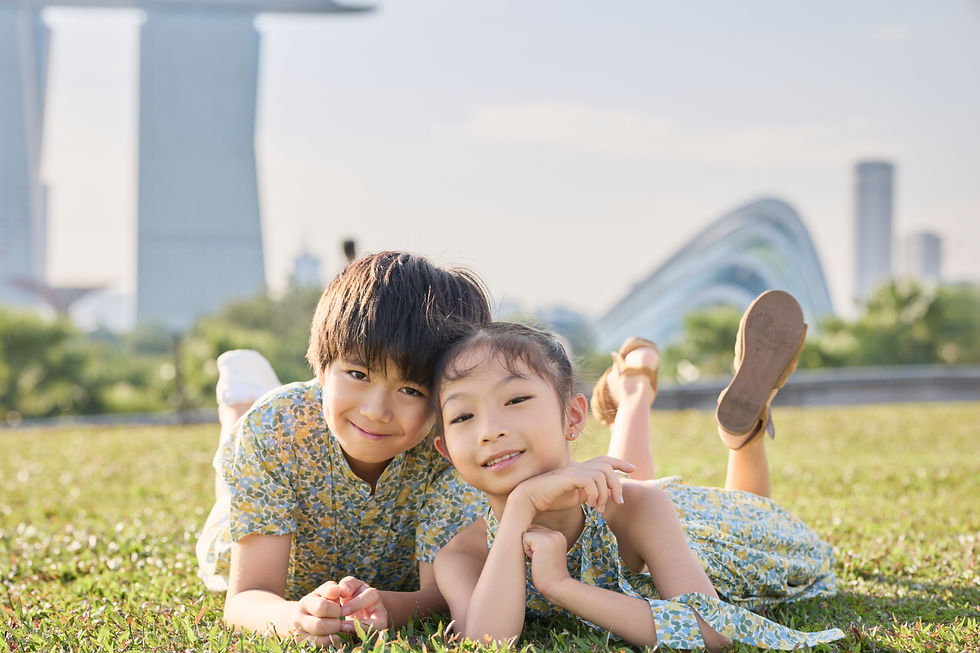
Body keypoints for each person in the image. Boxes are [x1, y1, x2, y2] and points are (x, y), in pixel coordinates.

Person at [431, 291, 846, 650]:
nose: (490, 430)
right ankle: (639, 388)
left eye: (516, 400)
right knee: (626, 481)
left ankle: (740, 437)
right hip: (635, 504)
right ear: (446, 450)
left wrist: (561, 586)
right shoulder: (461, 555)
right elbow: (485, 643)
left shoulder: (638, 505)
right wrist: (521, 507)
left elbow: (713, 631)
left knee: (738, 509)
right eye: (463, 416)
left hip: (717, 537)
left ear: (573, 417)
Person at [195, 251, 490, 645]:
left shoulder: (452, 453)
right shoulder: (276, 430)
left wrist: (386, 606)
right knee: (233, 470)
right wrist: (292, 617)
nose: (376, 411)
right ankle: (239, 402)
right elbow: (247, 597)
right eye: (358, 374)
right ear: (321, 368)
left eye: (410, 390)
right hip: (265, 473)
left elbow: (441, 596)